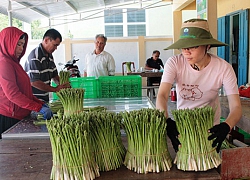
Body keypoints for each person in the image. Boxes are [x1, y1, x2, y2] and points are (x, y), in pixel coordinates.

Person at [156, 18, 242, 153]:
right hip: (183, 128)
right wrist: (167, 120)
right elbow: (162, 95)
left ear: (207, 46)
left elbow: (236, 106)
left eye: (193, 46)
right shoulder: (174, 63)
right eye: (183, 46)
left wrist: (226, 126)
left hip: (210, 130)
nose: (186, 52)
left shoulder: (223, 68)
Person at [0, 27, 53, 138]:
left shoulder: (14, 63)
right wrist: (38, 107)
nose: (21, 49)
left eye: (23, 45)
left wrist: (39, 103)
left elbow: (24, 92)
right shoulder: (4, 63)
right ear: (7, 42)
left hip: (19, 115)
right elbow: (13, 95)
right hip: (9, 117)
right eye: (18, 44)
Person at [24, 28, 69, 102]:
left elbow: (54, 76)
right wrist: (55, 89)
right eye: (54, 45)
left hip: (44, 100)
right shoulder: (35, 57)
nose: (56, 48)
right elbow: (34, 82)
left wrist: (63, 85)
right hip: (34, 101)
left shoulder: (49, 56)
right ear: (46, 40)